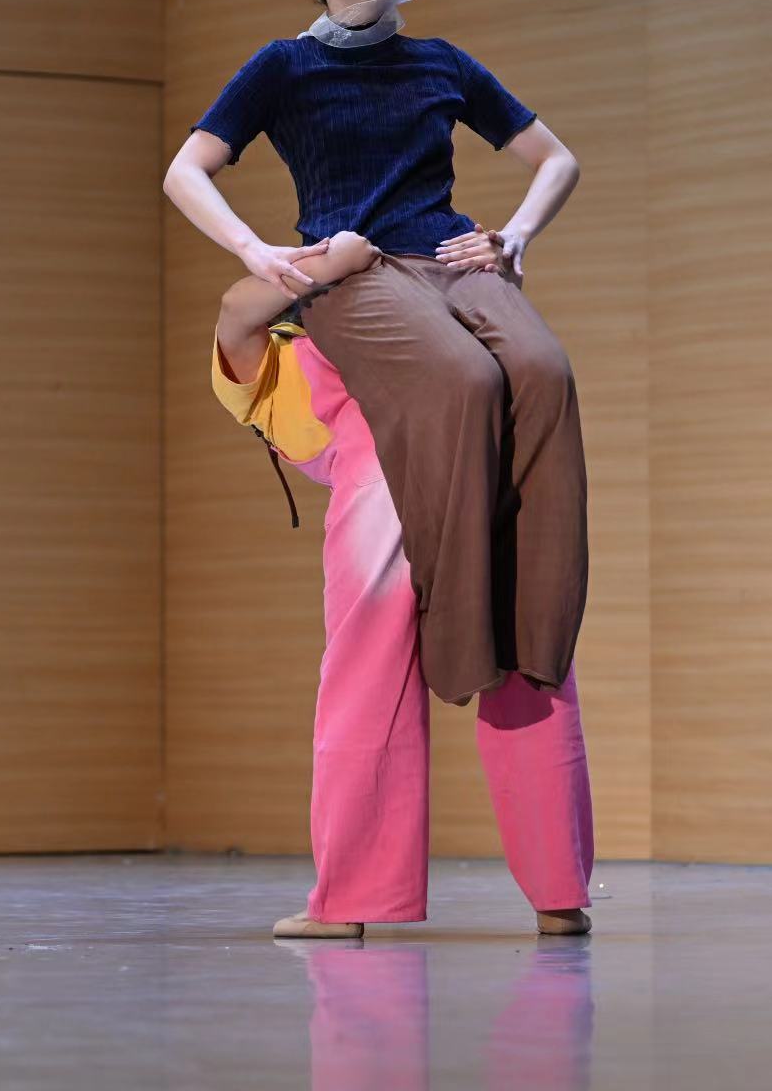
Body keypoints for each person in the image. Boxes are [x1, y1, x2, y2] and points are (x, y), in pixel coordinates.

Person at [162, 0, 589, 710]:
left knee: (543, 370)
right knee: (464, 379)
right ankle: (460, 637)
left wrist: (514, 237)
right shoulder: (284, 65)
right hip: (356, 267)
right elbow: (186, 170)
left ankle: (537, 637)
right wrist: (260, 252)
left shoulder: (441, 61)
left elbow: (557, 159)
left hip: (452, 252)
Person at [210, 231, 595, 939]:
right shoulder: (310, 343)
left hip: (386, 485)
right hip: (492, 463)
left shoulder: (285, 362)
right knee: (530, 657)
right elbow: (240, 307)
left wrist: (335, 260)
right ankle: (560, 897)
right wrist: (345, 258)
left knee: (369, 677)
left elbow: (237, 309)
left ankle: (352, 901)